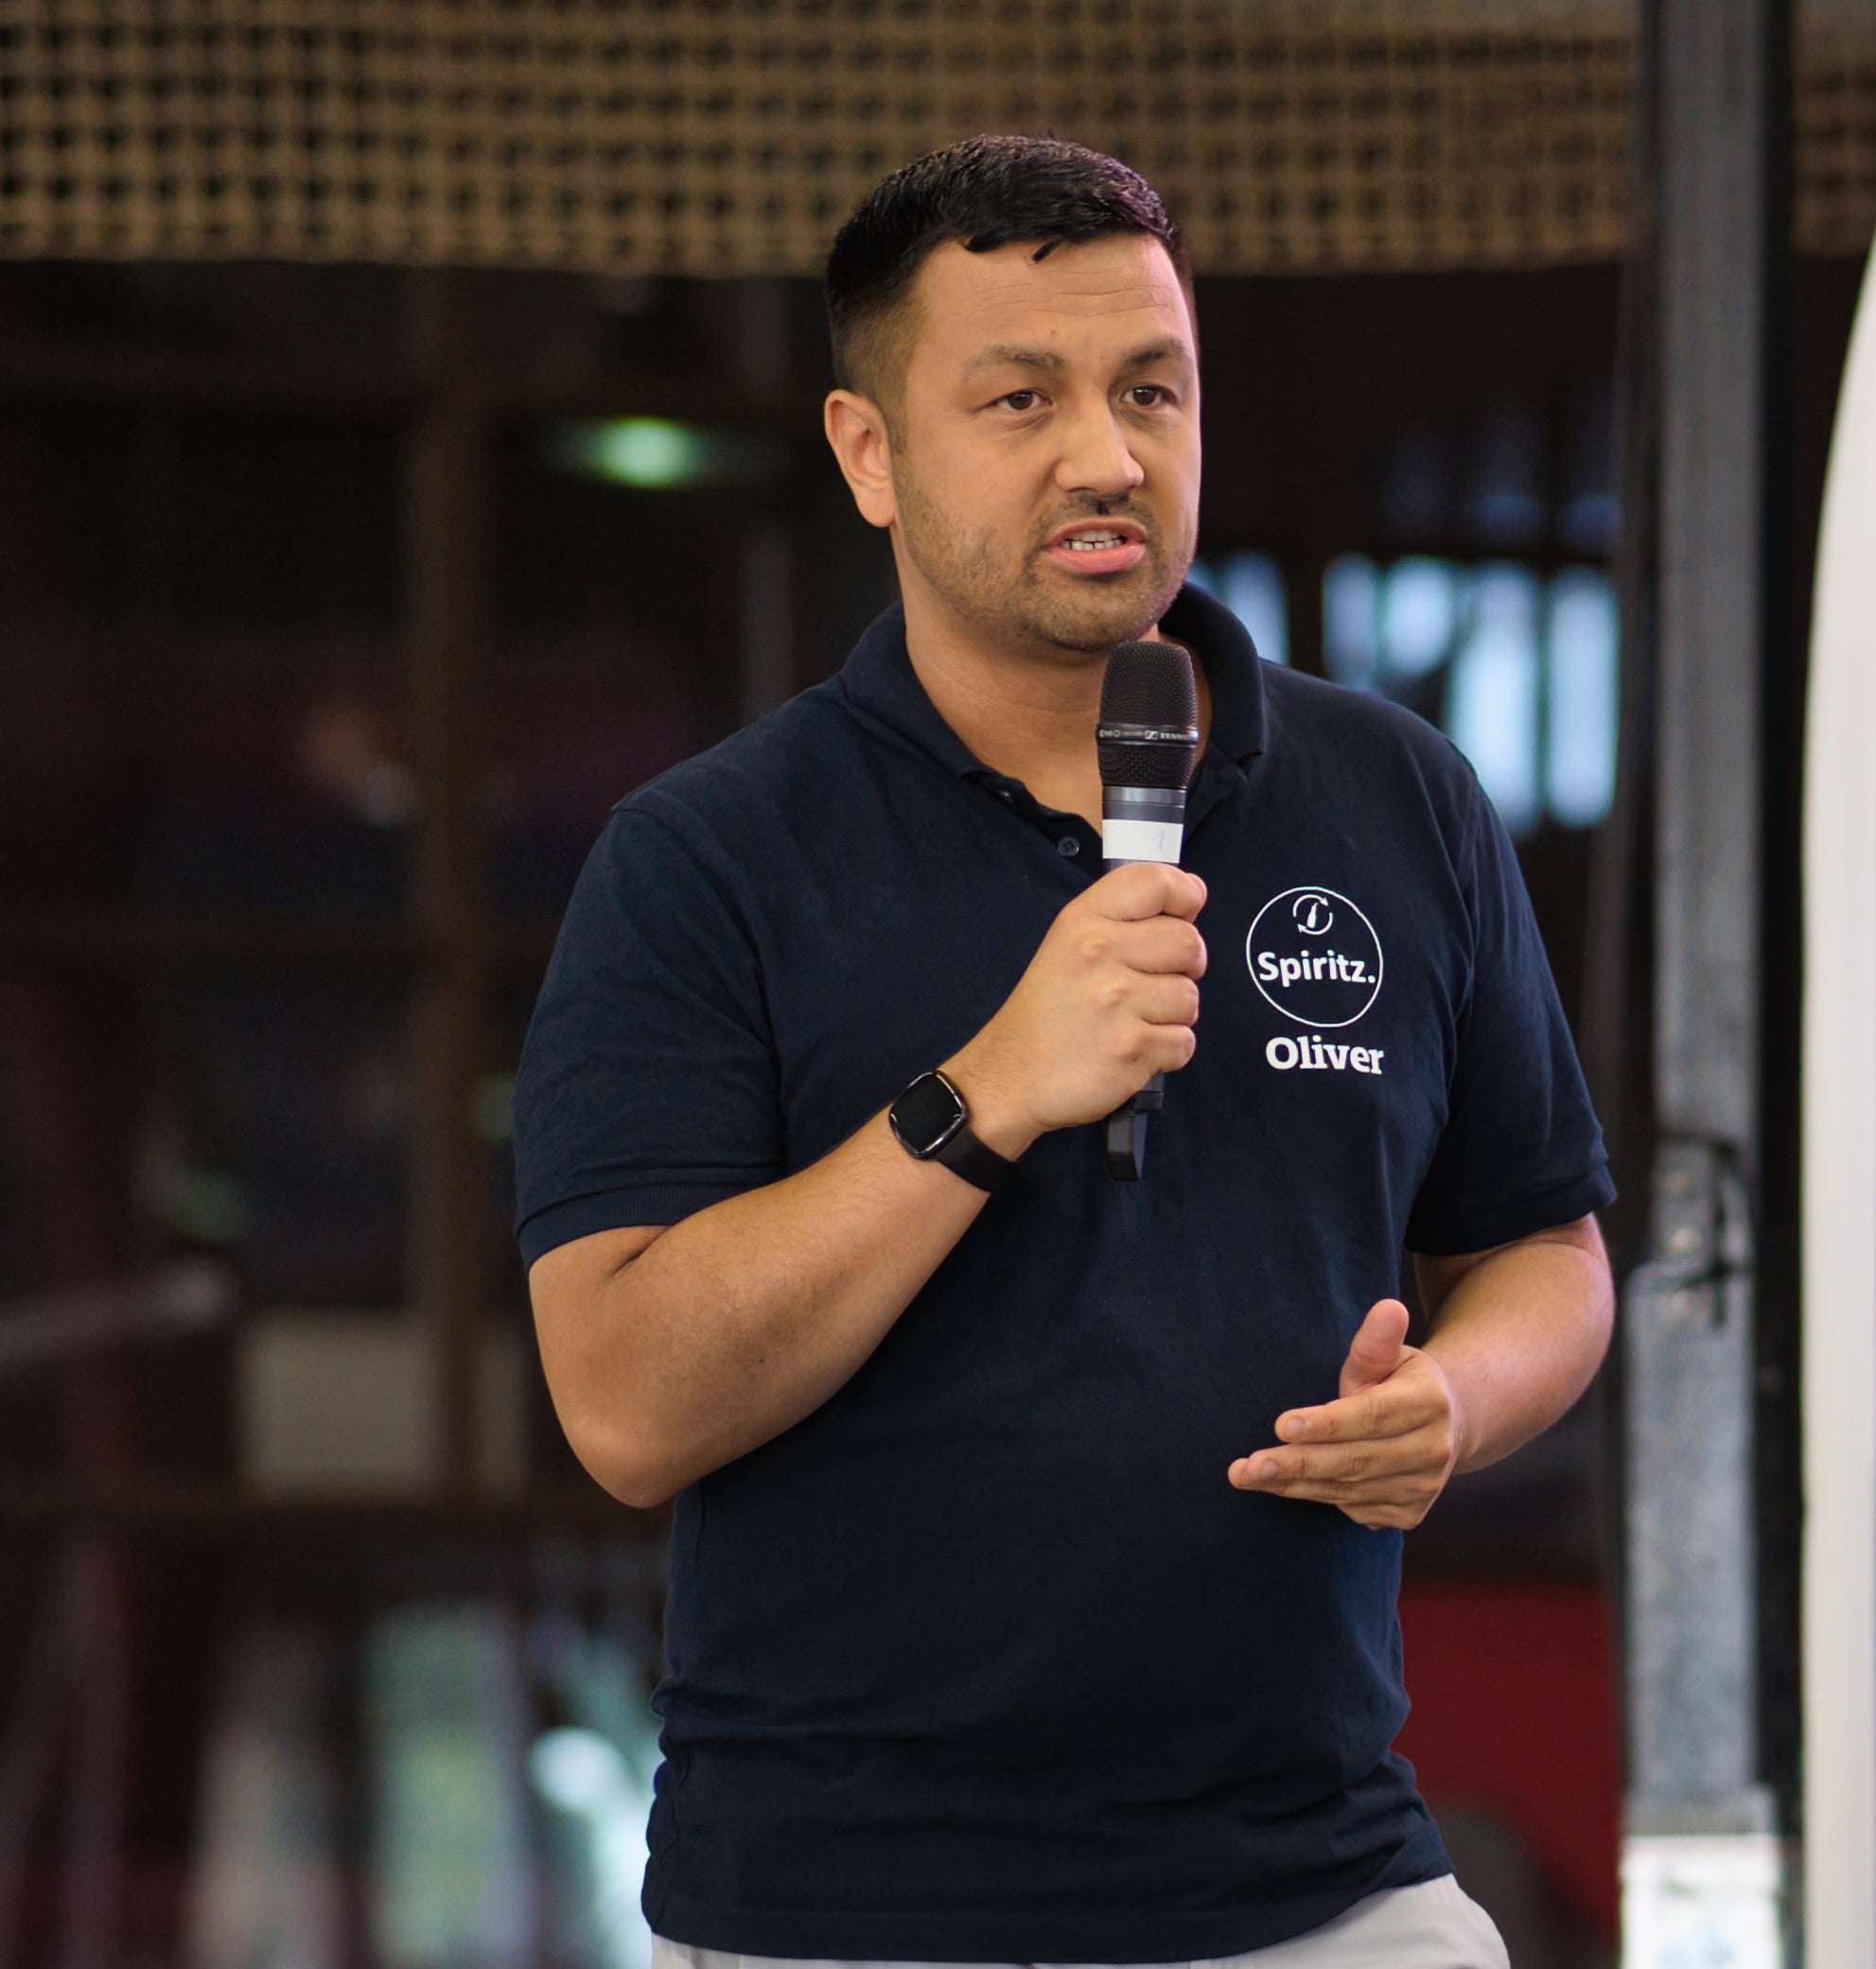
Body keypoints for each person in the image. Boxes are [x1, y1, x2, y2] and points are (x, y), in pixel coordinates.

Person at [511, 135, 1617, 1969]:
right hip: (849, 1905)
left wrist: (1457, 1401)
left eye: (1149, 391)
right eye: (1020, 398)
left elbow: (1547, 1251)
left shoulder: (1395, 794)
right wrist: (985, 1095)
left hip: (1321, 1879)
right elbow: (627, 1407)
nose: (1105, 455)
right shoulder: (710, 857)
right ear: (869, 451)